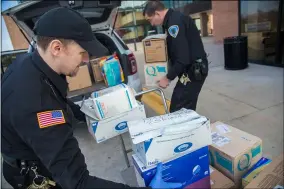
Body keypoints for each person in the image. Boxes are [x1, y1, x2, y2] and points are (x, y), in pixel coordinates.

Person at [1, 7, 182, 189]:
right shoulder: (39, 105)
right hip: (33, 176)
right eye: (82, 52)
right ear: (57, 48)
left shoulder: (30, 64)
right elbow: (79, 183)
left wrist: (92, 113)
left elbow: (59, 98)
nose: (87, 60)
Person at [143, 0, 209, 113]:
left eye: (150, 19)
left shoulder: (174, 24)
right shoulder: (173, 20)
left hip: (193, 71)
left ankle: (188, 129)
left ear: (157, 13)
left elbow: (183, 58)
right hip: (190, 70)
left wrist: (167, 77)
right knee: (184, 107)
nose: (152, 24)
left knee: (178, 108)